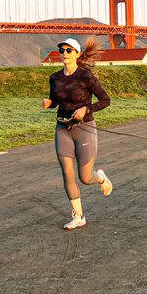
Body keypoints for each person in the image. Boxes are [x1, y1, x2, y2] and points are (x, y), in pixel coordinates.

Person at [41, 36, 113, 229]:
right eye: (61, 50)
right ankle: (78, 216)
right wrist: (50, 104)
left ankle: (101, 177)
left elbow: (106, 100)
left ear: (77, 54)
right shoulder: (54, 77)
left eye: (68, 50)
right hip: (62, 128)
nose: (64, 53)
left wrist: (86, 110)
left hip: (85, 129)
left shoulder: (85, 76)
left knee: (85, 177)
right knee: (67, 173)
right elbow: (56, 100)